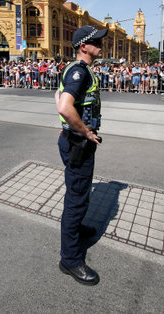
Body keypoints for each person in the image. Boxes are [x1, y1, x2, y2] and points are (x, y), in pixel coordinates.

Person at [55, 25, 108, 286]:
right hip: (77, 142)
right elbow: (65, 107)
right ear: (83, 46)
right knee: (76, 201)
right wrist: (86, 132)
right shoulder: (78, 71)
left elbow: (58, 96)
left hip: (74, 140)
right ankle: (70, 259)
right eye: (96, 40)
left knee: (81, 193)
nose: (101, 43)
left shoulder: (77, 70)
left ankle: (76, 231)